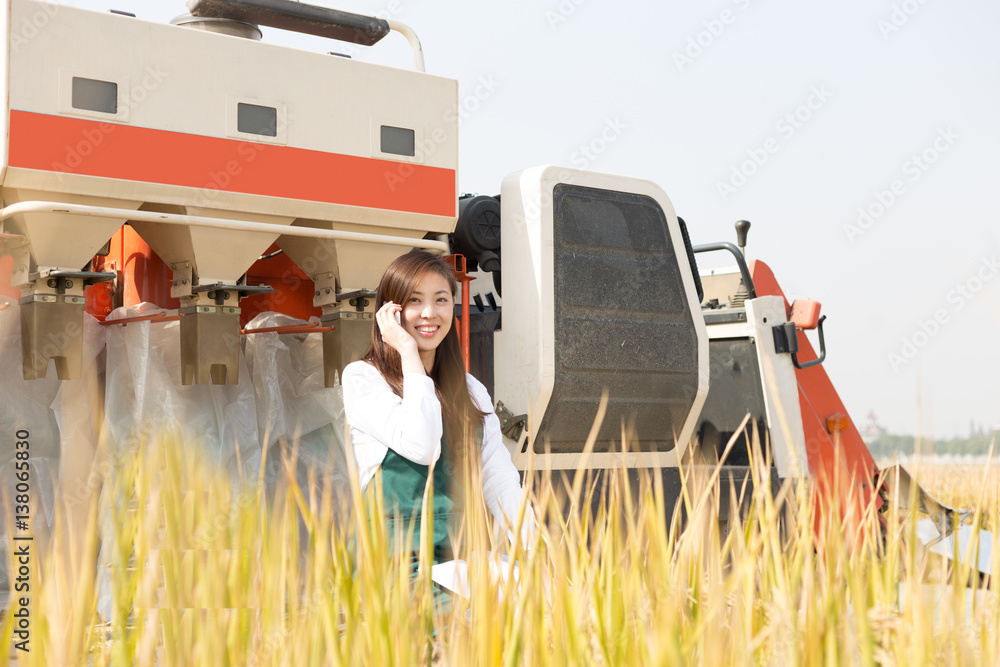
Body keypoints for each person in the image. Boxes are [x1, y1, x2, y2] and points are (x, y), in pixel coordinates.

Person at [342, 250, 529, 566]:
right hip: (395, 567)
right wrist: (407, 350)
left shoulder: (470, 390)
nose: (429, 312)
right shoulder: (364, 378)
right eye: (414, 301)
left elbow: (498, 477)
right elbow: (422, 447)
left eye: (441, 300)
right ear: (390, 312)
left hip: (460, 559)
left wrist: (532, 546)